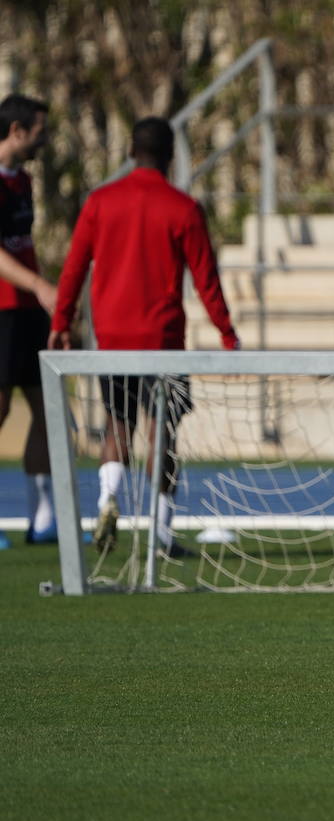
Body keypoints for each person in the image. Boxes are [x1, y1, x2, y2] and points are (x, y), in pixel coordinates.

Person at [50, 116, 239, 558]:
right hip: (162, 341)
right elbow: (206, 280)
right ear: (171, 156)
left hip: (113, 339)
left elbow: (74, 267)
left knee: (117, 426)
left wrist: (61, 322)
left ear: (131, 151)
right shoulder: (183, 208)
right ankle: (160, 532)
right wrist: (228, 335)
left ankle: (106, 500)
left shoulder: (100, 203)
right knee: (164, 433)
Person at [0, 94, 60, 548]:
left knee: (47, 407)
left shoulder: (25, 181)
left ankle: (43, 516)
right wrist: (39, 285)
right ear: (16, 131)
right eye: (39, 130)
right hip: (2, 310)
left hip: (29, 316)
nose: (44, 138)